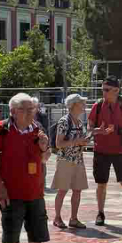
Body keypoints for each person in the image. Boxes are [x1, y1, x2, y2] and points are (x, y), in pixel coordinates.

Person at [0, 93, 60, 243]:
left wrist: (44, 148)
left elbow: (44, 158)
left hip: (35, 192)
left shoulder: (38, 129)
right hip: (11, 193)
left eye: (32, 109)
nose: (29, 113)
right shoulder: (1, 129)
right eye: (24, 109)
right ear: (13, 111)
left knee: (36, 235)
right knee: (10, 236)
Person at [88, 76, 122, 228]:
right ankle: (100, 213)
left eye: (106, 90)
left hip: (121, 150)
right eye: (102, 89)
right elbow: (89, 128)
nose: (103, 92)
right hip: (101, 150)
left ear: (116, 90)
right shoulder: (98, 105)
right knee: (101, 184)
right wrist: (99, 131)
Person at [51, 94, 90, 229]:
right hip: (65, 160)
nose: (84, 105)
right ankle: (57, 217)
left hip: (78, 159)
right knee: (62, 190)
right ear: (74, 105)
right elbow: (59, 144)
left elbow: (80, 140)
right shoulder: (64, 121)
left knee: (77, 190)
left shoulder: (79, 122)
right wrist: (76, 141)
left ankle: (73, 218)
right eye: (82, 103)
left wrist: (91, 136)